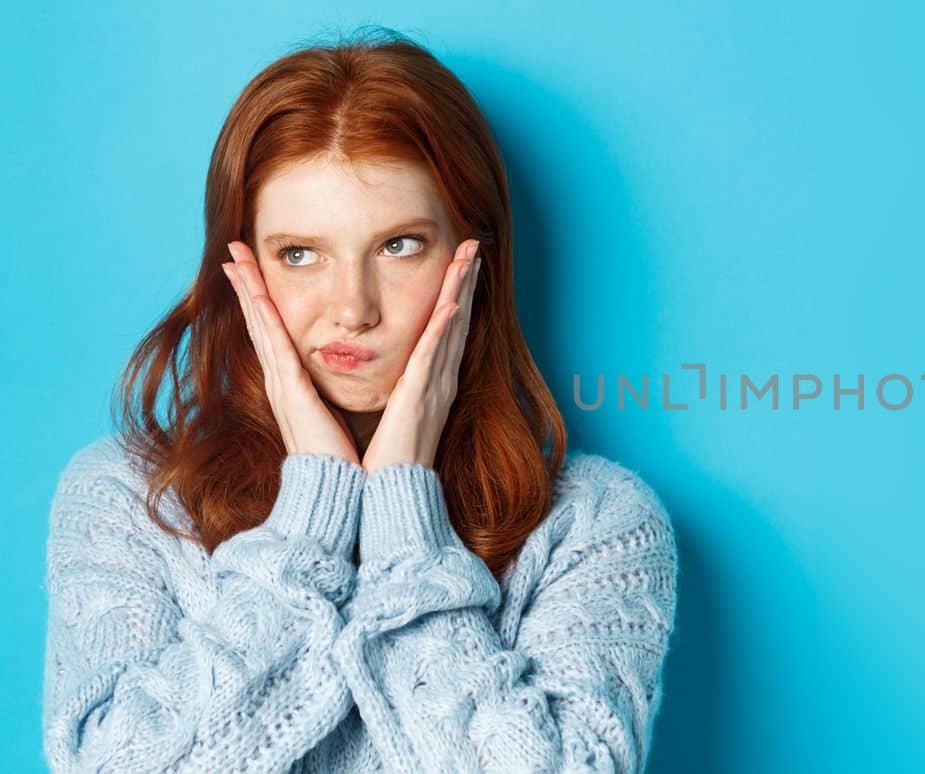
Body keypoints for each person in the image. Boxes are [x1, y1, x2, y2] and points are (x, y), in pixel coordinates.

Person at [41, 27, 678, 773]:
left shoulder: (594, 524)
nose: (352, 308)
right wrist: (311, 521)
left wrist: (407, 524)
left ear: (473, 256)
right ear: (241, 265)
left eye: (398, 245)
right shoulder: (130, 498)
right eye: (300, 254)